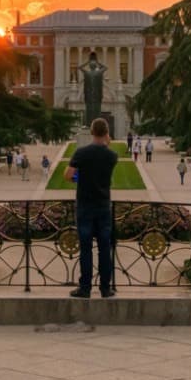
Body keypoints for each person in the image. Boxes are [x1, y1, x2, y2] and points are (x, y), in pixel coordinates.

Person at [66, 117, 117, 298]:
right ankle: (105, 288)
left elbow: (68, 175)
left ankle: (85, 288)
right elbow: (106, 151)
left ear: (91, 132)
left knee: (86, 248)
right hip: (103, 205)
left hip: (85, 206)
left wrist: (79, 178)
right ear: (106, 133)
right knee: (104, 249)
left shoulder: (81, 153)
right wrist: (107, 141)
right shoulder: (112, 156)